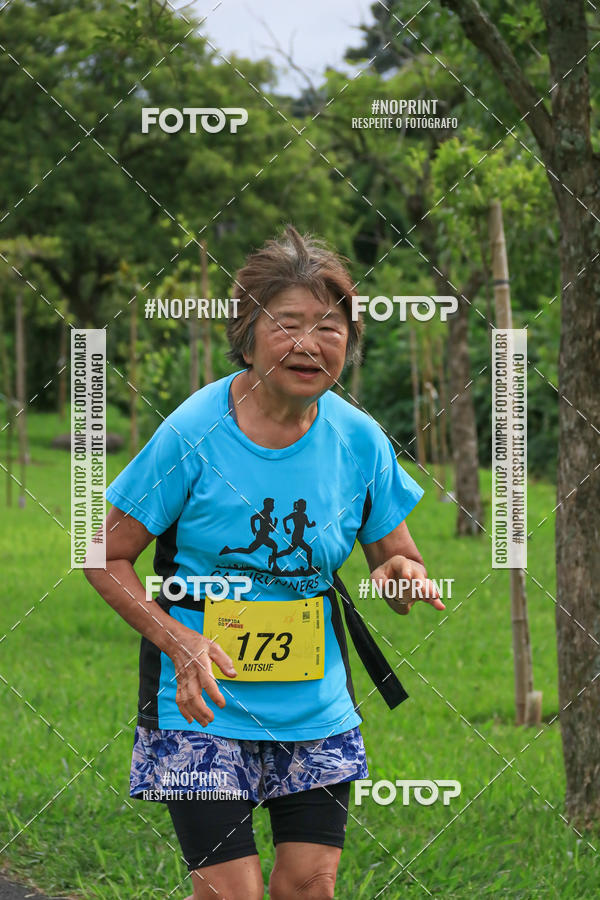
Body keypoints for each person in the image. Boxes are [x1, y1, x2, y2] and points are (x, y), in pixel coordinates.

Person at [84, 225, 445, 900]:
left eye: (330, 328)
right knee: (234, 893)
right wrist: (179, 641)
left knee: (310, 885)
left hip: (314, 705)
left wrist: (404, 576)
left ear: (350, 343)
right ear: (246, 336)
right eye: (288, 324)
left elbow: (397, 557)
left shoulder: (360, 440)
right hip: (202, 703)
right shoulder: (194, 430)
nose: (310, 343)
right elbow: (105, 557)